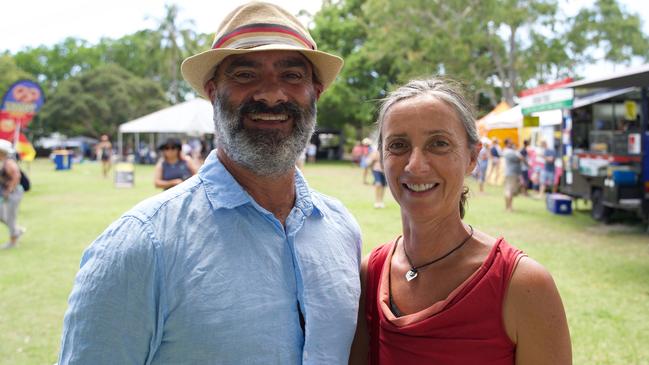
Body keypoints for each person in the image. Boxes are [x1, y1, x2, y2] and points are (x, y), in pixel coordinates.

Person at [58, 2, 361, 364]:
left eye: (292, 76)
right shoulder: (141, 246)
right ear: (213, 93)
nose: (271, 93)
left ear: (317, 92)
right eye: (246, 74)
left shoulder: (342, 230)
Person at [349, 78, 571, 364]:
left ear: (472, 157)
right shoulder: (371, 273)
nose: (415, 165)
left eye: (438, 144)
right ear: (382, 156)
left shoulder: (521, 285)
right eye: (399, 145)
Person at [0, 140, 25, 250]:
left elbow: (16, 177)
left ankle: (13, 241)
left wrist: (9, 190)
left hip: (14, 193)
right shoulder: (4, 162)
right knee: (2, 215)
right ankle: (17, 230)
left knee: (11, 217)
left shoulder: (9, 163)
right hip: (7, 193)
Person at [502, 138, 523, 212]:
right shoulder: (510, 152)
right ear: (507, 143)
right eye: (510, 142)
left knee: (508, 190)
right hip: (512, 173)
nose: (512, 143)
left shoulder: (506, 151)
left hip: (508, 172)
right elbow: (520, 158)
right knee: (510, 190)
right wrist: (516, 150)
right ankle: (509, 207)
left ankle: (507, 207)